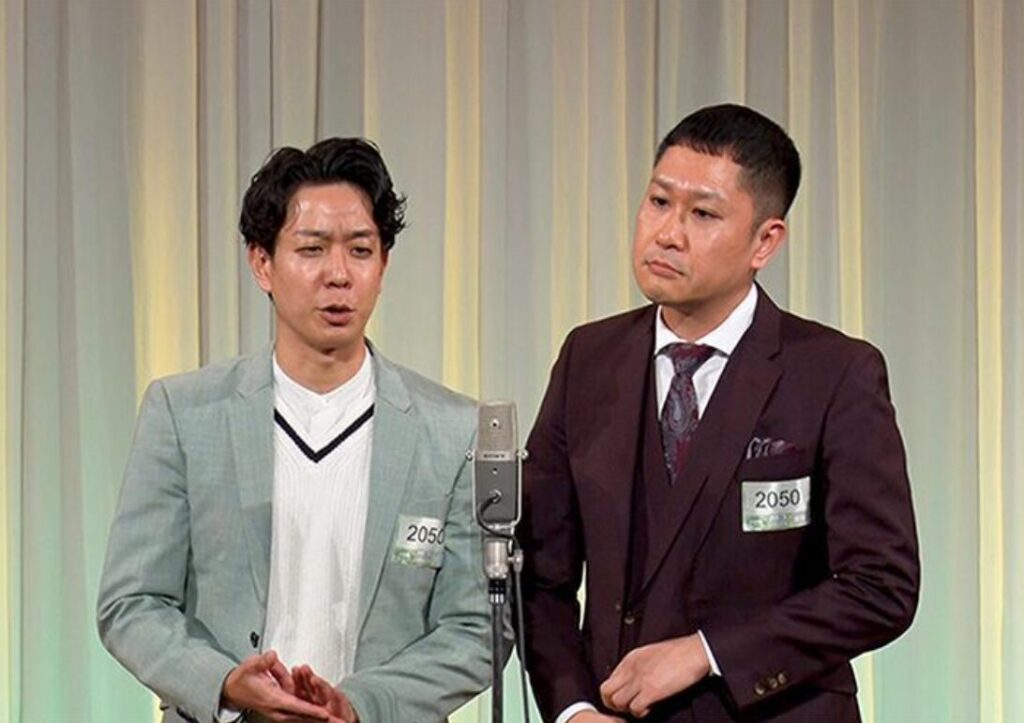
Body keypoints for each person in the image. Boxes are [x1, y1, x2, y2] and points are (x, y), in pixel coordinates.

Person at [518, 104, 919, 722]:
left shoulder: (835, 373)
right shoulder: (588, 359)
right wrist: (572, 709)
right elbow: (538, 576)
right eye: (658, 202)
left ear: (765, 241)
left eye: (702, 214)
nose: (667, 233)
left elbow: (880, 586)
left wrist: (707, 653)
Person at [98, 138, 491, 723]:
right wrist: (224, 683)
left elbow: (475, 630)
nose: (339, 275)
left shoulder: (452, 431)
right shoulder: (184, 413)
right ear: (262, 263)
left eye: (361, 250)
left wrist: (361, 703)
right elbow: (131, 603)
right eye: (312, 249)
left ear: (384, 265)